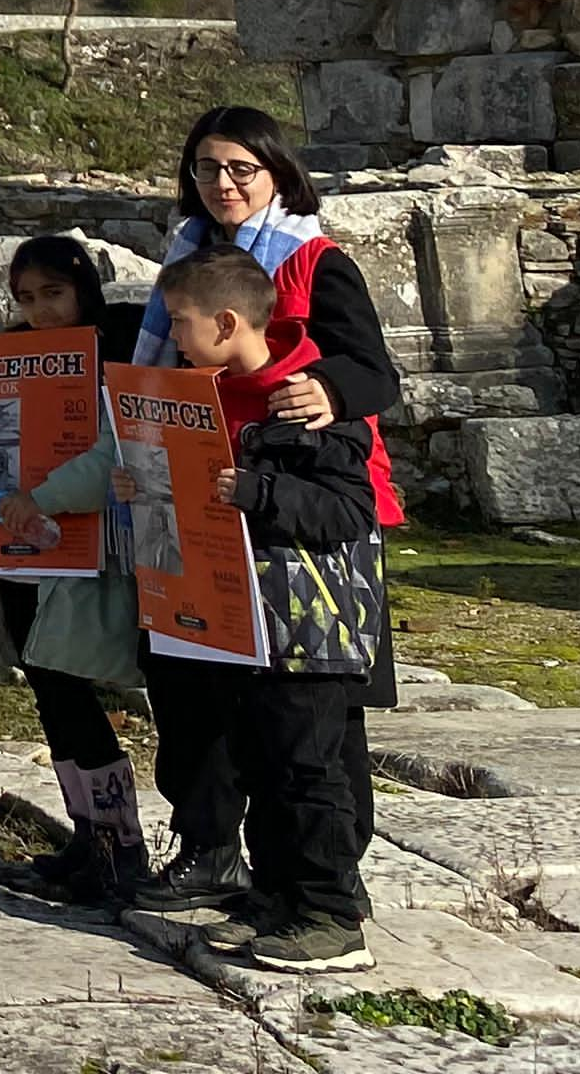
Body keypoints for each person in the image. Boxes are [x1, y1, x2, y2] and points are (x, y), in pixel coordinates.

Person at [136, 103, 403, 904]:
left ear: (277, 172)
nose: (223, 184)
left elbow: (373, 373)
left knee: (315, 707)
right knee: (192, 688)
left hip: (301, 501)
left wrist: (323, 389)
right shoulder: (183, 260)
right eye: (207, 168)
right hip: (195, 495)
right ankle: (211, 845)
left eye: (240, 168)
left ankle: (328, 871)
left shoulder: (317, 263)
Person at [160, 245, 384, 975]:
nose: (173, 339)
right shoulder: (211, 395)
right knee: (257, 761)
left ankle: (330, 914)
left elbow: (349, 510)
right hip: (246, 621)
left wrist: (258, 492)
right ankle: (277, 895)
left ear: (226, 322)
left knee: (307, 768)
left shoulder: (311, 400)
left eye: (181, 324)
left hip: (311, 625)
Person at [0, 236, 145, 907]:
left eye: (53, 292)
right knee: (47, 692)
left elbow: (114, 448)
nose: (40, 309)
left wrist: (40, 500)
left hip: (82, 553)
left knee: (75, 693)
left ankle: (121, 845)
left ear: (82, 288)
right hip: (14, 555)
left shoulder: (118, 351)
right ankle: (87, 836)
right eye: (26, 296)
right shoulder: (5, 354)